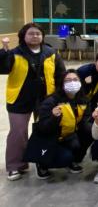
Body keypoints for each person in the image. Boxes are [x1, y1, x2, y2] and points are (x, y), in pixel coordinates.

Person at [1, 23, 66, 181]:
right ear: (23, 36)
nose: (35, 36)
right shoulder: (15, 53)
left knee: (43, 131)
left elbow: (60, 74)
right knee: (18, 132)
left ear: (42, 36)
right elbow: (3, 69)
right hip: (19, 98)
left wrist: (59, 96)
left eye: (38, 33)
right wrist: (3, 52)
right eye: (31, 33)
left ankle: (41, 162)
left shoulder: (51, 53)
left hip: (45, 98)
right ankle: (16, 165)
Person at [27, 70, 92, 179]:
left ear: (80, 83)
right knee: (65, 158)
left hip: (69, 136)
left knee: (89, 133)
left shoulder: (84, 101)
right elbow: (43, 127)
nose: (72, 82)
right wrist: (54, 117)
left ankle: (73, 159)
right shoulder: (51, 101)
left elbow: (85, 122)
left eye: (75, 80)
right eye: (68, 80)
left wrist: (96, 128)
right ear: (62, 84)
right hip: (50, 138)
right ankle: (42, 163)